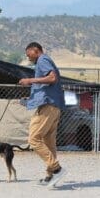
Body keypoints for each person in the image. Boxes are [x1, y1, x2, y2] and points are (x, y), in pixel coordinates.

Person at [19, 42, 66, 187]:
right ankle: (50, 176)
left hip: (48, 107)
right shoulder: (44, 61)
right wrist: (31, 99)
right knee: (49, 143)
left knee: (34, 139)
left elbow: (52, 78)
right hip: (53, 107)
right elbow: (46, 86)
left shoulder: (42, 60)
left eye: (29, 54)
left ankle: (57, 169)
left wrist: (29, 80)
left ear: (36, 50)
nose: (28, 57)